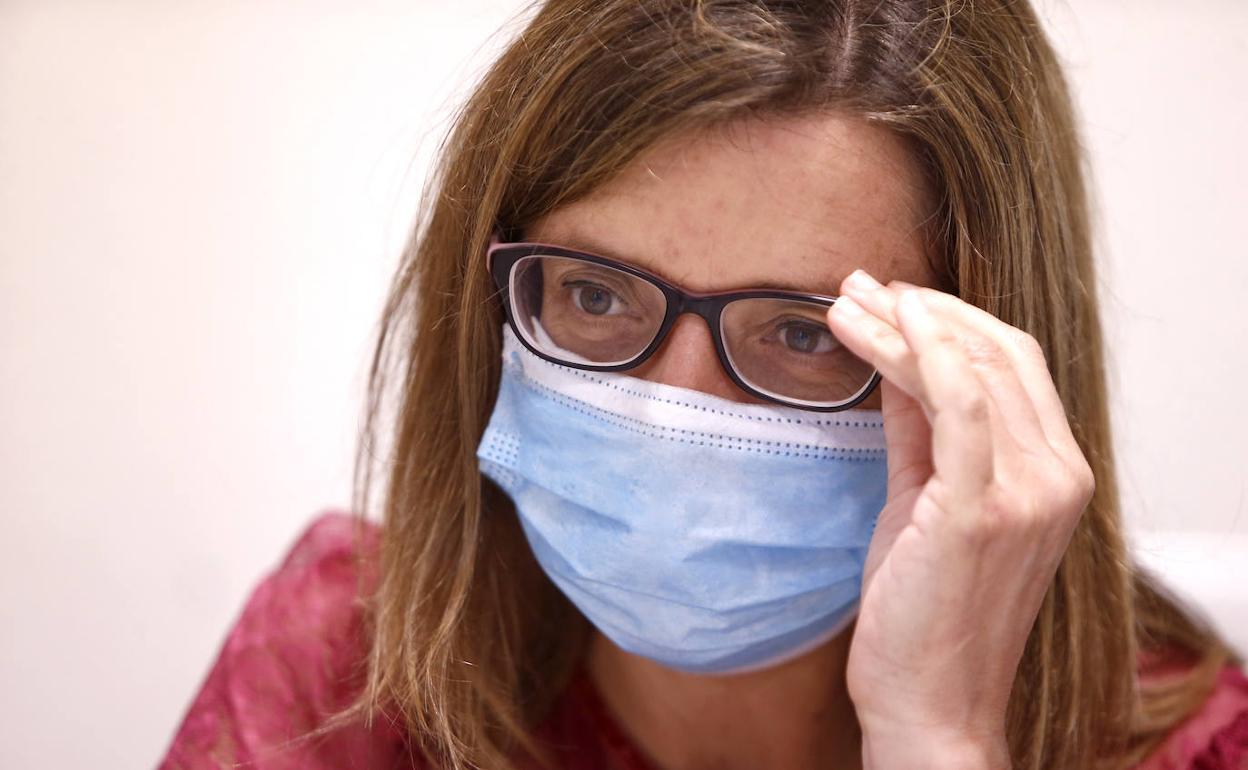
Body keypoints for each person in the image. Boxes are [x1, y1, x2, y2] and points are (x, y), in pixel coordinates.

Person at [158, 1, 1248, 768]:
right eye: (594, 297)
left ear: (987, 364)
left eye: (804, 331)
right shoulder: (340, 669)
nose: (671, 406)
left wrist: (941, 739)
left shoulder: (1192, 746)